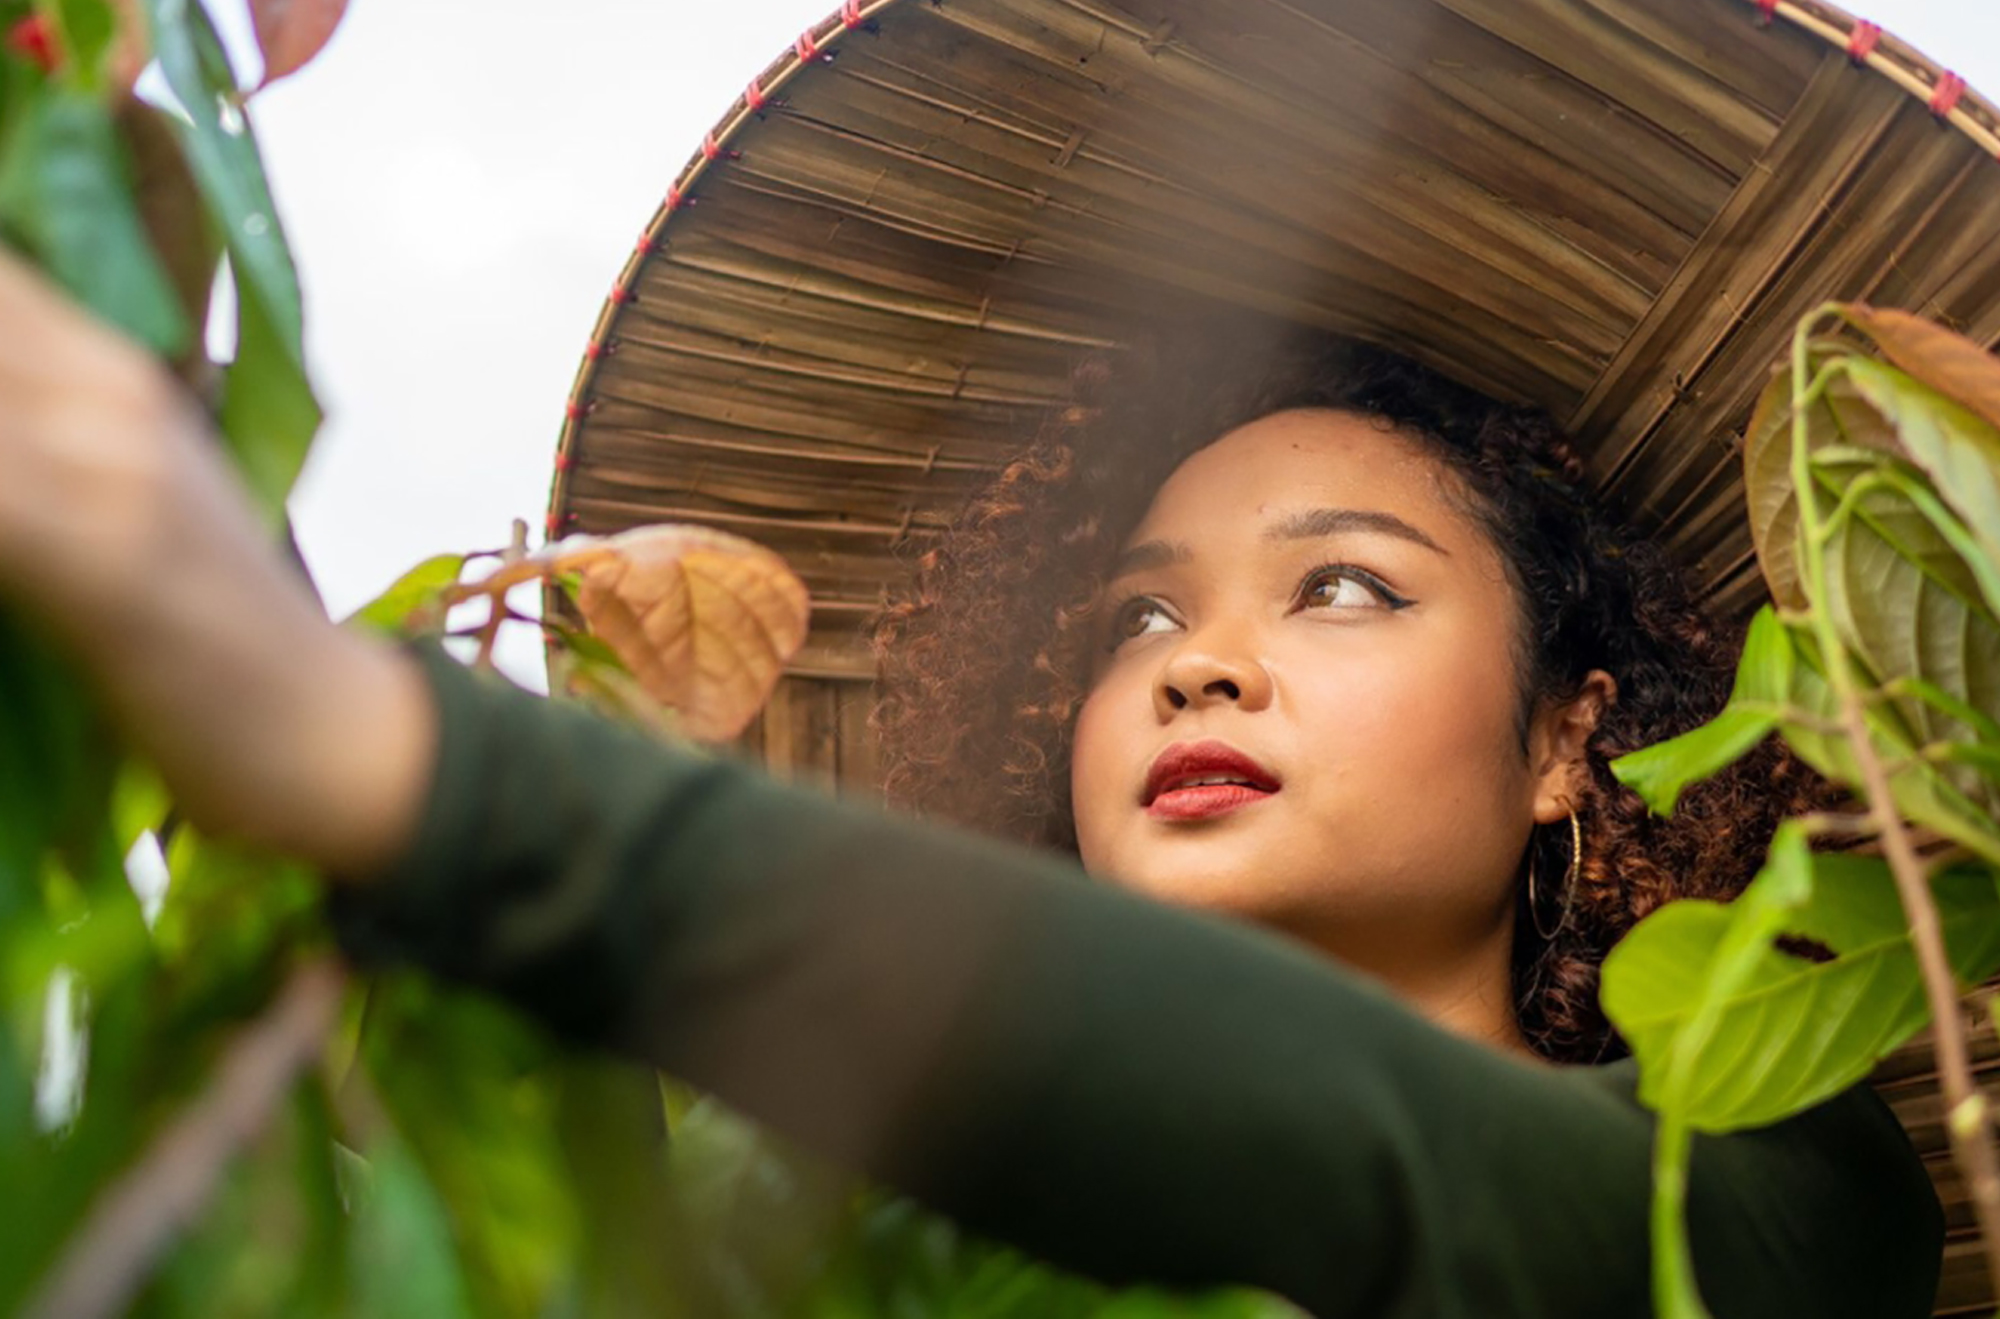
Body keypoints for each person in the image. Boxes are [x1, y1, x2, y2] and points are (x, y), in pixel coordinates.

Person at [0, 242, 1945, 1317]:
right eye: (1128, 620)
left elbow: (1363, 1155)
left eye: (1343, 586)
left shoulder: (1780, 1201)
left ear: (1560, 739)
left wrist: (367, 747)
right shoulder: (812, 1220)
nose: (1194, 658)